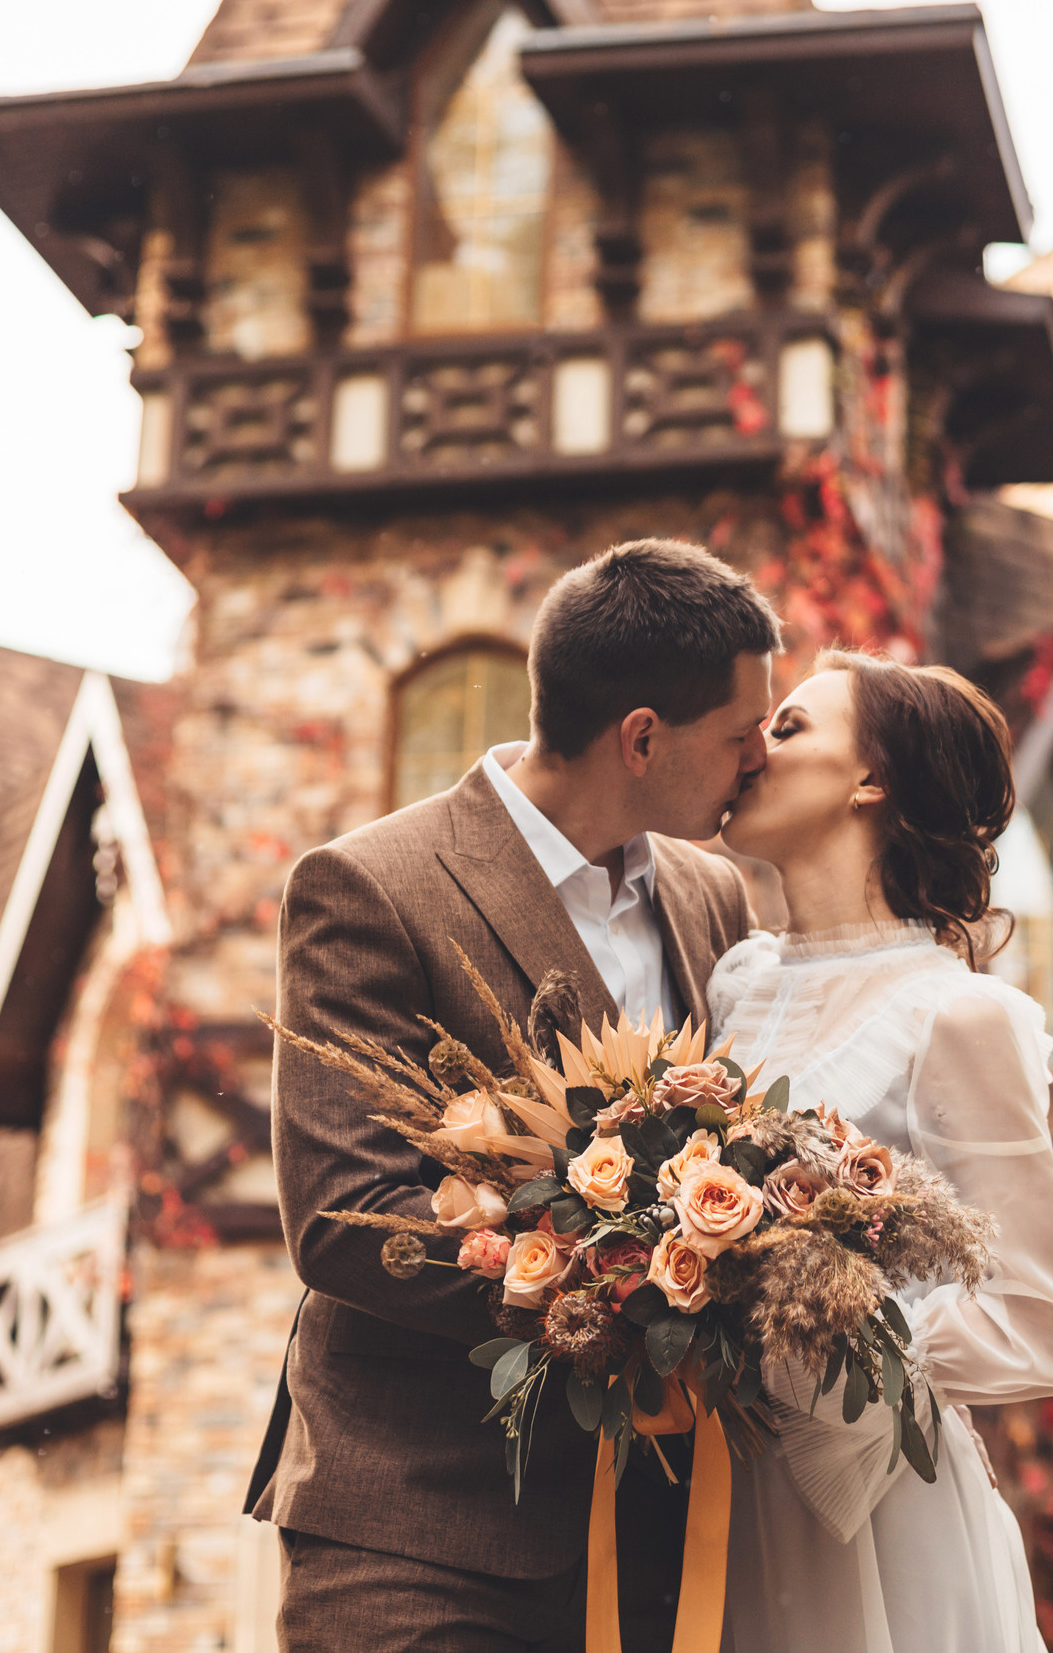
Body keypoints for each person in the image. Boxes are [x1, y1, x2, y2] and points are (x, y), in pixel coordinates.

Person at [248, 538, 782, 1653]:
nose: (759, 761)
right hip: (419, 1527)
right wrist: (626, 1290)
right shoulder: (369, 888)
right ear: (641, 738)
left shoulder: (714, 896)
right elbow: (349, 1216)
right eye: (740, 736)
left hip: (654, 1534)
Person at [709, 650, 1053, 1653]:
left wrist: (828, 1339)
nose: (754, 749)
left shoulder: (958, 1017)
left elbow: (1046, 1323)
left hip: (877, 1510)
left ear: (870, 780)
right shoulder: (738, 986)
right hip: (718, 1498)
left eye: (789, 728)